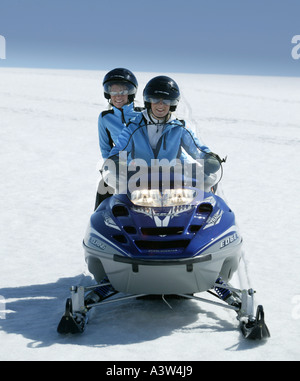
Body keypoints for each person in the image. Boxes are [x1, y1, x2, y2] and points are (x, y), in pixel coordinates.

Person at [106, 76, 220, 178]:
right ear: (148, 101)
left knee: (205, 195)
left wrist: (208, 157)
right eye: (156, 99)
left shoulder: (179, 127)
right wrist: (116, 160)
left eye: (166, 100)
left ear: (172, 104)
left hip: (173, 180)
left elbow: (196, 147)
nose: (161, 105)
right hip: (138, 178)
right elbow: (120, 148)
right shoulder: (134, 126)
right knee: (115, 198)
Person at [95, 68, 141, 210]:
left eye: (122, 92)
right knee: (104, 187)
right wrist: (111, 166)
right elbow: (105, 148)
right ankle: (101, 221)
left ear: (131, 93)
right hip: (121, 165)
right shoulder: (105, 117)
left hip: (147, 162)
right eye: (113, 92)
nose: (118, 96)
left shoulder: (143, 114)